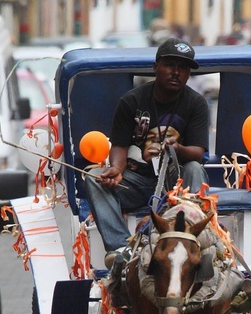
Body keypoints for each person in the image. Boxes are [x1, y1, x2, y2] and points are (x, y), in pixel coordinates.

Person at [83, 38, 209, 269]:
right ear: (155, 67)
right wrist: (116, 170)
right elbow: (119, 144)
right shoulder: (131, 100)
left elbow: (198, 152)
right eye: (170, 65)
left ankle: (197, 239)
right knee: (94, 177)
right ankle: (120, 248)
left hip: (178, 186)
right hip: (137, 181)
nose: (176, 72)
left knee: (194, 168)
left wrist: (177, 150)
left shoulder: (196, 103)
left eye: (183, 68)